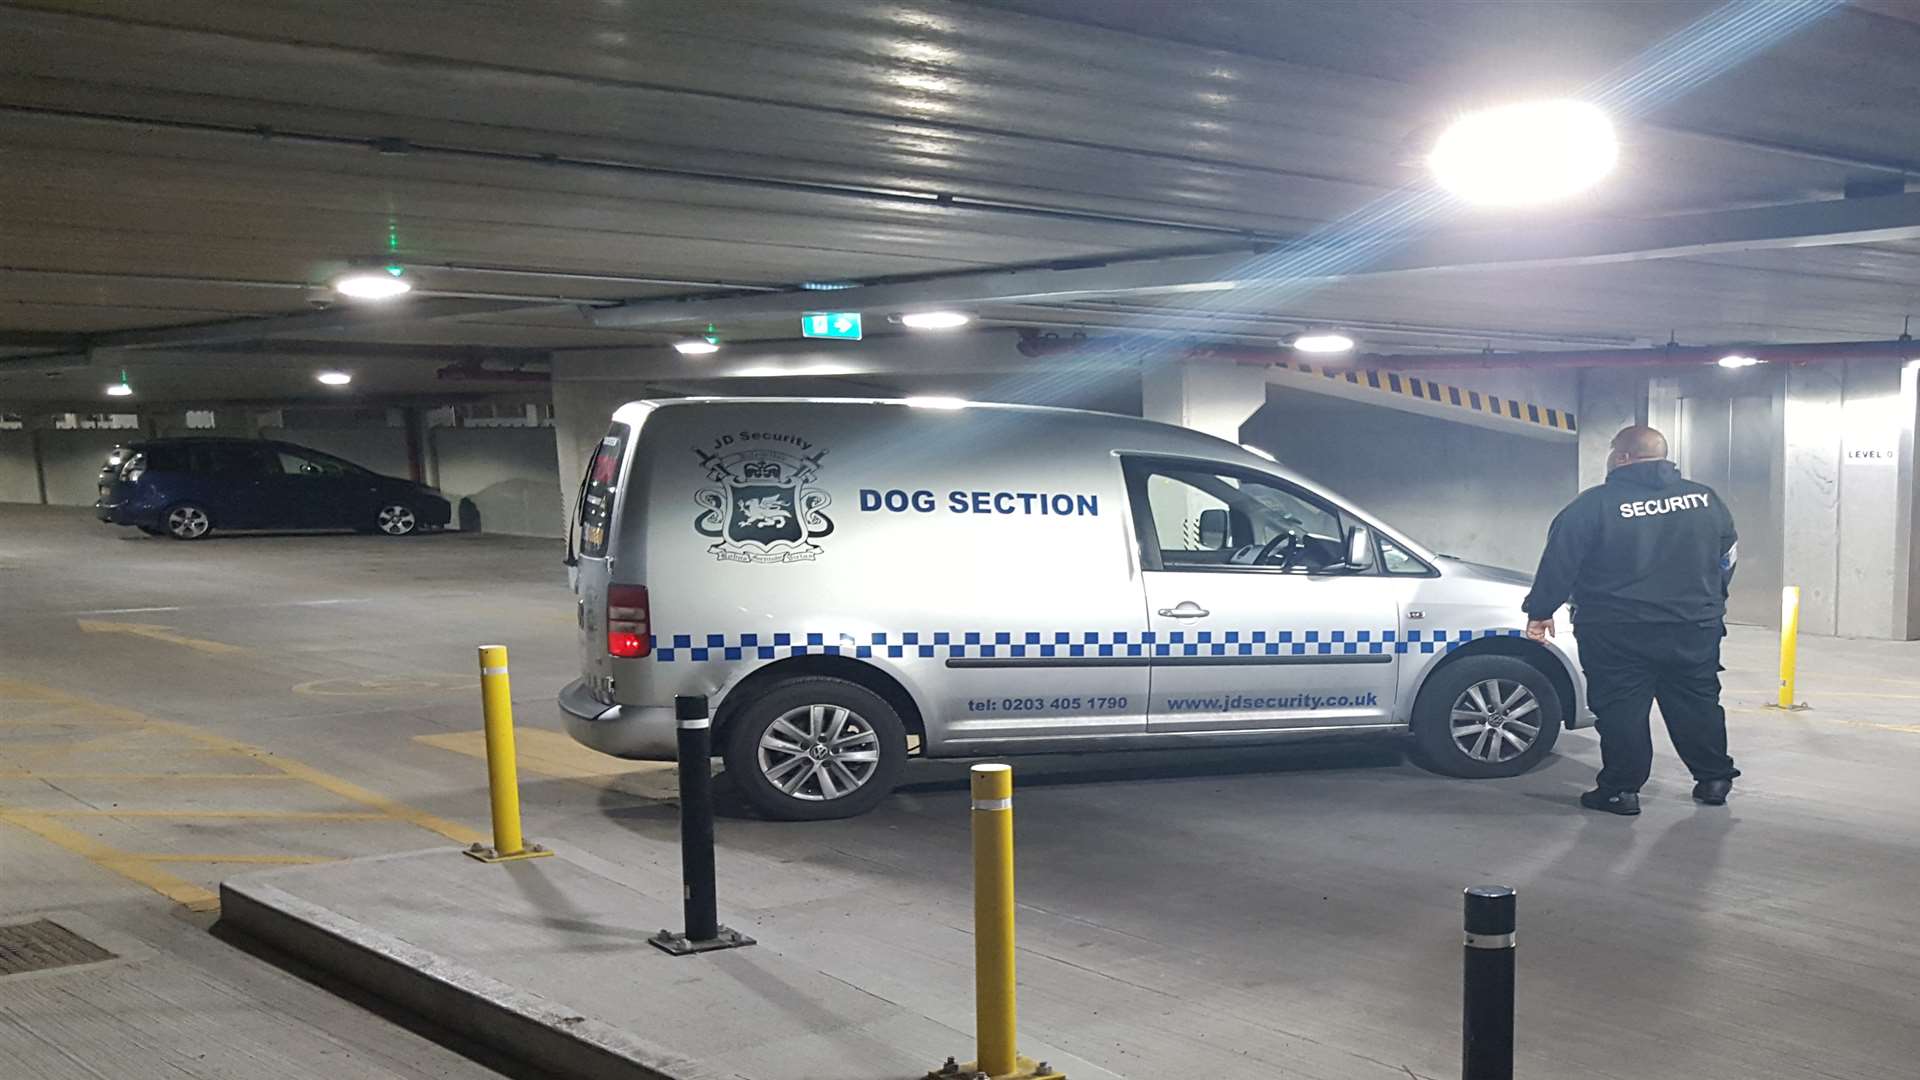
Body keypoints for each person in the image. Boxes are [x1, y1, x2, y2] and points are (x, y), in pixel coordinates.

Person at [1521, 425, 1741, 816]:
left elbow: (1560, 562)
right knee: (1697, 702)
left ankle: (1621, 791)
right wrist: (1711, 598)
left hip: (1617, 629)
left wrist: (1540, 611)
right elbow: (1728, 555)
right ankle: (1713, 779)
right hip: (1693, 625)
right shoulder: (1705, 499)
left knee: (1622, 709)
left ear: (1622, 457)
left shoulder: (1594, 505)